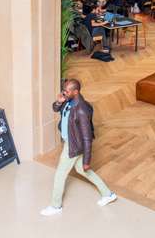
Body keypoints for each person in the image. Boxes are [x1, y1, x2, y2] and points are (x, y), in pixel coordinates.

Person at [40, 79, 117, 216]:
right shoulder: (68, 101)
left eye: (67, 91)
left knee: (60, 174)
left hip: (74, 145)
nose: (64, 92)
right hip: (72, 141)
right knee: (81, 170)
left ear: (75, 92)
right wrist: (59, 101)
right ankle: (108, 194)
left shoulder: (81, 110)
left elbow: (87, 138)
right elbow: (55, 108)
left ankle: (55, 206)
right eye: (64, 90)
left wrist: (87, 160)